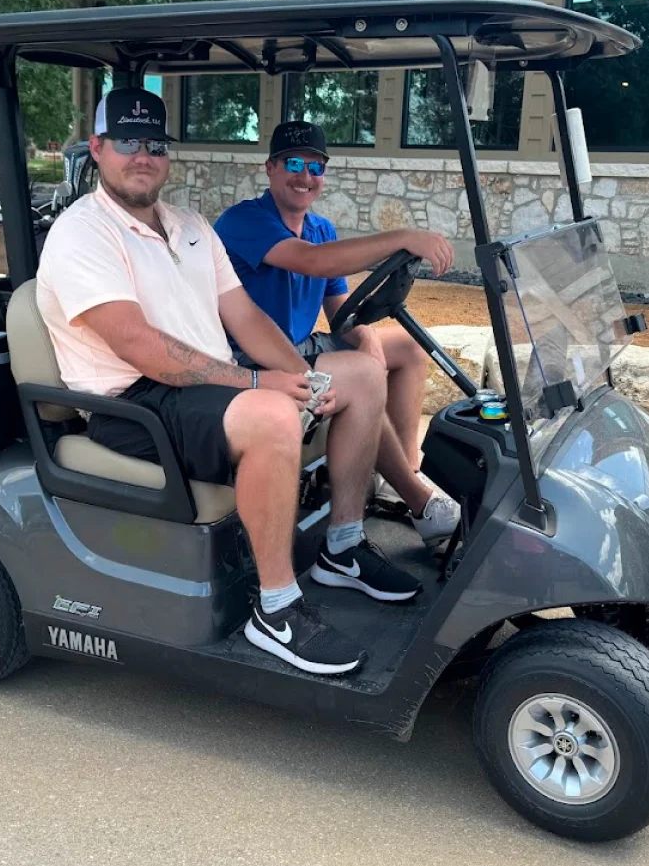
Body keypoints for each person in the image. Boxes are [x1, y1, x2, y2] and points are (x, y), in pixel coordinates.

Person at [36, 88, 425, 679]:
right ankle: (275, 609)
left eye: (154, 145)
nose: (142, 157)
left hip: (200, 390)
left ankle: (342, 545)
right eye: (127, 144)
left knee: (363, 372)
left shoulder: (190, 226)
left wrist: (302, 375)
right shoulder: (81, 234)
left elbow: (244, 317)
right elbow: (140, 347)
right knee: (271, 415)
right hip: (130, 404)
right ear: (98, 148)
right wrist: (257, 382)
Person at [214, 120, 460, 545]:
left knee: (405, 348)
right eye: (294, 164)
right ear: (270, 168)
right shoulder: (244, 221)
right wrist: (403, 237)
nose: (305, 177)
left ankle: (396, 480)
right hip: (253, 358)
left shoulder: (321, 229)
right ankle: (418, 500)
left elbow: (339, 310)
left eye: (316, 168)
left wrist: (365, 338)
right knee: (362, 375)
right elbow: (315, 263)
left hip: (301, 344)